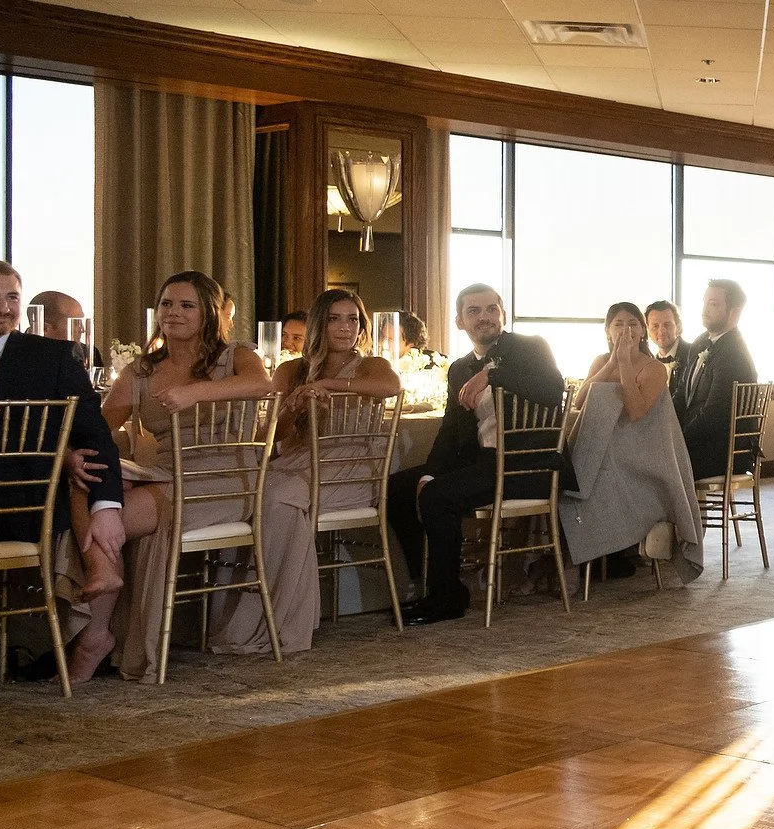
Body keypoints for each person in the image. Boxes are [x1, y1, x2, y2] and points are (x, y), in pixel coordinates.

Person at [89, 272, 276, 681]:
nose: (173, 313)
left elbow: (261, 385)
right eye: (167, 305)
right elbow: (100, 425)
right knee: (94, 504)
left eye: (186, 305)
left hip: (226, 476)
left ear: (209, 312)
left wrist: (194, 392)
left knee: (109, 520)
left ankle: (92, 636)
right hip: (165, 472)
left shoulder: (236, 356)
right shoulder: (142, 370)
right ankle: (95, 633)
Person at [385, 284, 567, 626]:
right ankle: (421, 583)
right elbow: (450, 430)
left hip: (529, 464)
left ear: (502, 314)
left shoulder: (530, 348)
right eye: (474, 311)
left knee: (439, 498)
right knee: (398, 487)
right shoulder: (459, 368)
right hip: (483, 464)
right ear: (459, 321)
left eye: (490, 309)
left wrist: (492, 375)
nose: (484, 317)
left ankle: (448, 595)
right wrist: (428, 474)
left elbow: (551, 388)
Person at [0, 261, 126, 672]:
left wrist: (107, 506)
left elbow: (95, 436)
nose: (2, 307)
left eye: (11, 296)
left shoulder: (51, 357)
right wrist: (56, 453)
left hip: (23, 507)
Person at [249, 288, 401, 648]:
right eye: (335, 319)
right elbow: (268, 437)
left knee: (276, 497)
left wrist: (328, 384)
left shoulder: (370, 365)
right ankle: (257, 617)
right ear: (320, 323)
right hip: (298, 461)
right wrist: (295, 405)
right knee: (253, 493)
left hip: (351, 468)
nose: (345, 327)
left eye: (353, 319)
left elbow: (390, 386)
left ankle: (286, 623)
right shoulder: (290, 370)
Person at [562, 301, 704, 584]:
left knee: (600, 481)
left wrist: (626, 364)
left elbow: (637, 411)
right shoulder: (600, 361)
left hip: (642, 453)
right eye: (618, 325)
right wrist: (612, 364)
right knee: (572, 477)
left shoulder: (653, 369)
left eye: (632, 325)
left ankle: (612, 554)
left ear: (642, 332)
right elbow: (579, 401)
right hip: (602, 449)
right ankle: (583, 559)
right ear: (607, 331)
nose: (625, 330)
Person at [677, 279, 759, 482]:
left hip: (720, 452)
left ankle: (681, 515)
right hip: (699, 446)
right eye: (705, 302)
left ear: (735, 312)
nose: (704, 310)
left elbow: (714, 415)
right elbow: (681, 395)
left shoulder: (733, 354)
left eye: (713, 304)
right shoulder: (700, 342)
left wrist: (678, 440)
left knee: (651, 465)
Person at [644, 298, 693, 390]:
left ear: (678, 326)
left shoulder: (693, 355)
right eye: (655, 326)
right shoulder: (649, 364)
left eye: (667, 325)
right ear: (648, 330)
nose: (661, 331)